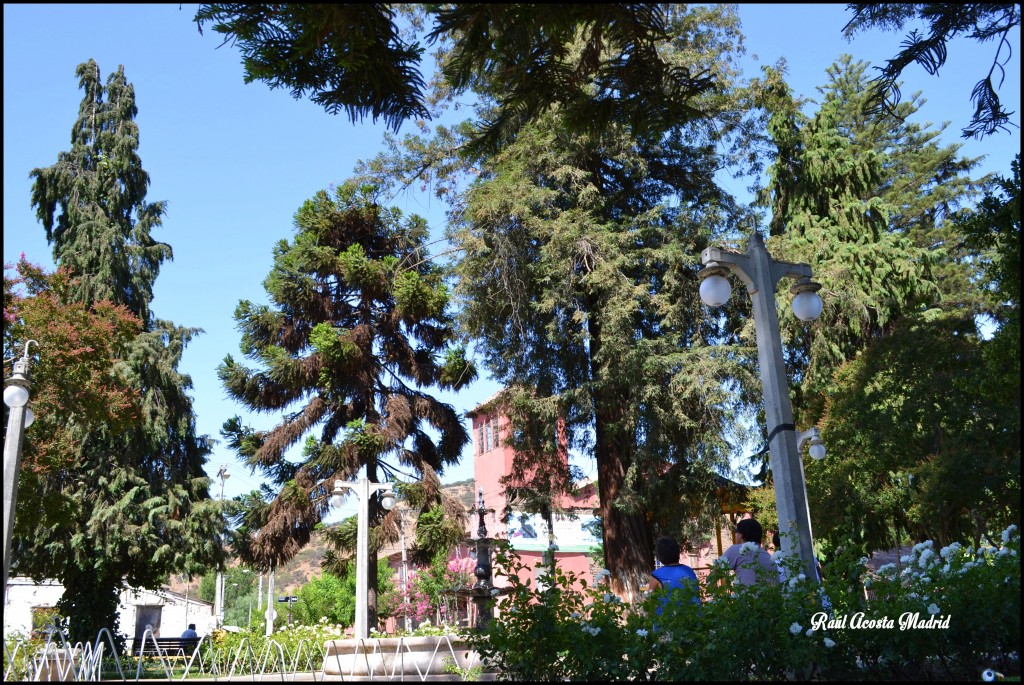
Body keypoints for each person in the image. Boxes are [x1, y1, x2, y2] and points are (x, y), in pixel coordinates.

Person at [646, 536, 701, 613]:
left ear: (660, 555)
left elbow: (650, 601)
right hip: (693, 617)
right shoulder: (689, 571)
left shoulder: (657, 575)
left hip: (667, 620)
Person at [721, 518, 779, 585]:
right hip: (771, 595)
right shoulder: (768, 557)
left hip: (747, 595)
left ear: (741, 534)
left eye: (736, 532)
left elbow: (715, 573)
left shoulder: (736, 550)